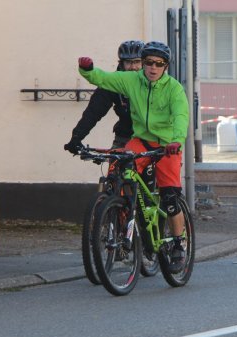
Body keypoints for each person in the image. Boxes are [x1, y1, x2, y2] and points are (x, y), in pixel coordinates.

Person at [77, 41, 189, 273]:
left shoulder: (174, 88)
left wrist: (176, 140)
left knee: (169, 197)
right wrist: (87, 70)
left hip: (168, 144)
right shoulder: (132, 81)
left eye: (159, 64)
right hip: (141, 140)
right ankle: (123, 210)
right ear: (143, 64)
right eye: (148, 63)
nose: (153, 68)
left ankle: (179, 244)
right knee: (120, 169)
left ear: (165, 67)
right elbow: (104, 80)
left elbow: (181, 115)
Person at [64, 40, 144, 154]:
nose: (133, 67)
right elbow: (93, 112)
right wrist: (76, 137)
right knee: (115, 170)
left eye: (137, 62)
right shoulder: (114, 83)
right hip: (124, 138)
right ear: (121, 64)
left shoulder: (152, 83)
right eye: (128, 62)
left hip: (150, 140)